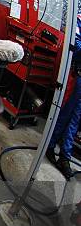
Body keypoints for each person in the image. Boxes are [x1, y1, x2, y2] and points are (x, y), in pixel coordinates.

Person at [46, 16, 81, 180]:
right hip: (75, 78)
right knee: (64, 115)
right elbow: (75, 46)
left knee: (75, 120)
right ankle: (50, 145)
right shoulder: (78, 20)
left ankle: (65, 157)